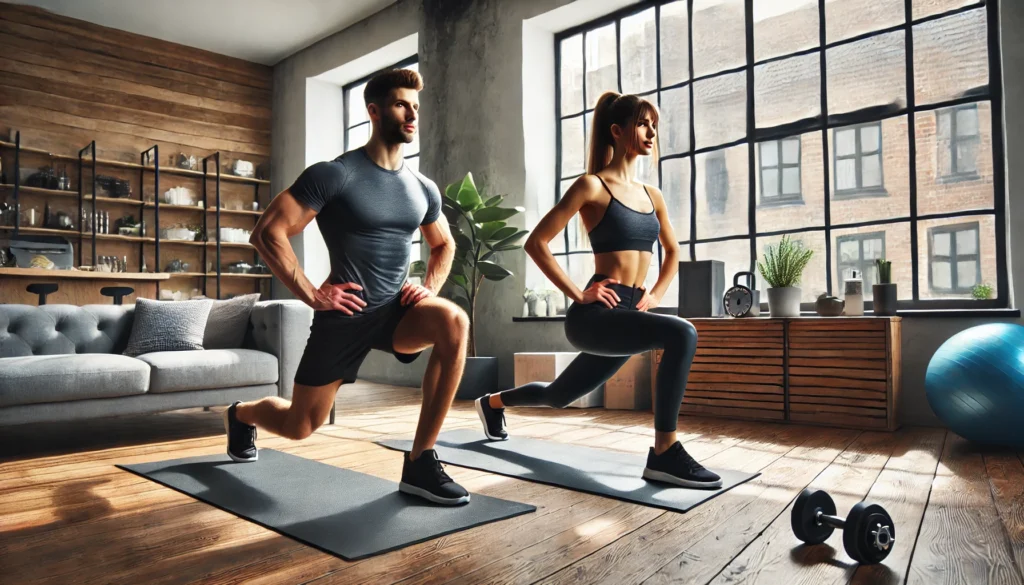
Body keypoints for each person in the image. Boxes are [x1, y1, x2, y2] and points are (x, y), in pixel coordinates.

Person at [222, 68, 473, 505]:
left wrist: (429, 288)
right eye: (400, 104)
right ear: (374, 111)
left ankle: (420, 461)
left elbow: (444, 244)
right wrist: (312, 294)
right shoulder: (335, 174)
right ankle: (241, 414)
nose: (411, 114)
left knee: (454, 320)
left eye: (415, 106)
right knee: (301, 425)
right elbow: (268, 232)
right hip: (345, 315)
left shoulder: (422, 187)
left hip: (396, 311)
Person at [474, 91, 721, 489]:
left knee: (559, 395)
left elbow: (673, 251)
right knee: (682, 333)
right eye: (643, 124)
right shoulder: (592, 186)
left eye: (654, 125)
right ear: (617, 131)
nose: (651, 132)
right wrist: (578, 294)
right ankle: (664, 452)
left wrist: (655, 294)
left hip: (631, 311)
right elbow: (537, 243)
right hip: (597, 315)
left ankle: (492, 403)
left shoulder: (651, 195)